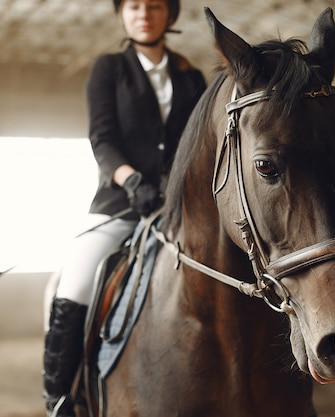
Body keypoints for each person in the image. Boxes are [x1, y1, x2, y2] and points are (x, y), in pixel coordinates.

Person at [42, 0, 206, 416]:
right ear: (122, 14)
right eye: (133, 6)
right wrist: (132, 180)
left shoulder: (192, 78)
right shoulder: (108, 69)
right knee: (76, 282)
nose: (143, 13)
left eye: (153, 6)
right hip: (120, 204)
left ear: (169, 15)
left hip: (180, 208)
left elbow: (201, 143)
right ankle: (59, 396)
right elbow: (102, 139)